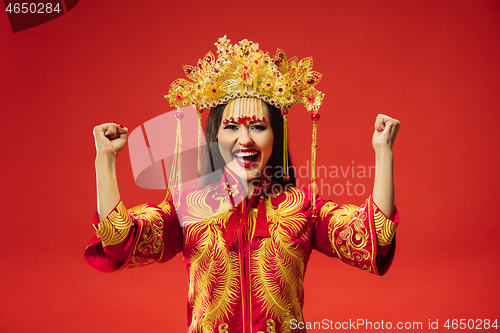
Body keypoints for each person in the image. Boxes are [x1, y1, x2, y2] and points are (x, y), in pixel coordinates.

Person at [85, 36, 400, 333]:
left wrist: (383, 153)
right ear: (215, 135)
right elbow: (120, 240)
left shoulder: (303, 208)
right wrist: (105, 161)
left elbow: (371, 236)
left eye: (259, 127)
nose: (245, 140)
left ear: (276, 136)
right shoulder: (189, 207)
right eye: (231, 127)